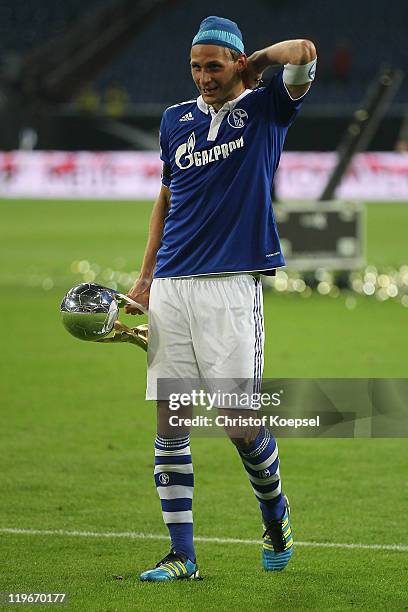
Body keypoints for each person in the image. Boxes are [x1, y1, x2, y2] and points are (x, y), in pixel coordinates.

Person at [126, 15, 317, 581]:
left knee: (238, 421)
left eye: (213, 65)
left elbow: (303, 51)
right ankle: (181, 555)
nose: (202, 76)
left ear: (234, 63)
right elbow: (166, 199)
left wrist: (253, 64)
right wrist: (144, 278)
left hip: (232, 287)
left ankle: (275, 511)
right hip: (172, 288)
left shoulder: (266, 110)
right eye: (195, 66)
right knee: (170, 422)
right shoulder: (174, 121)